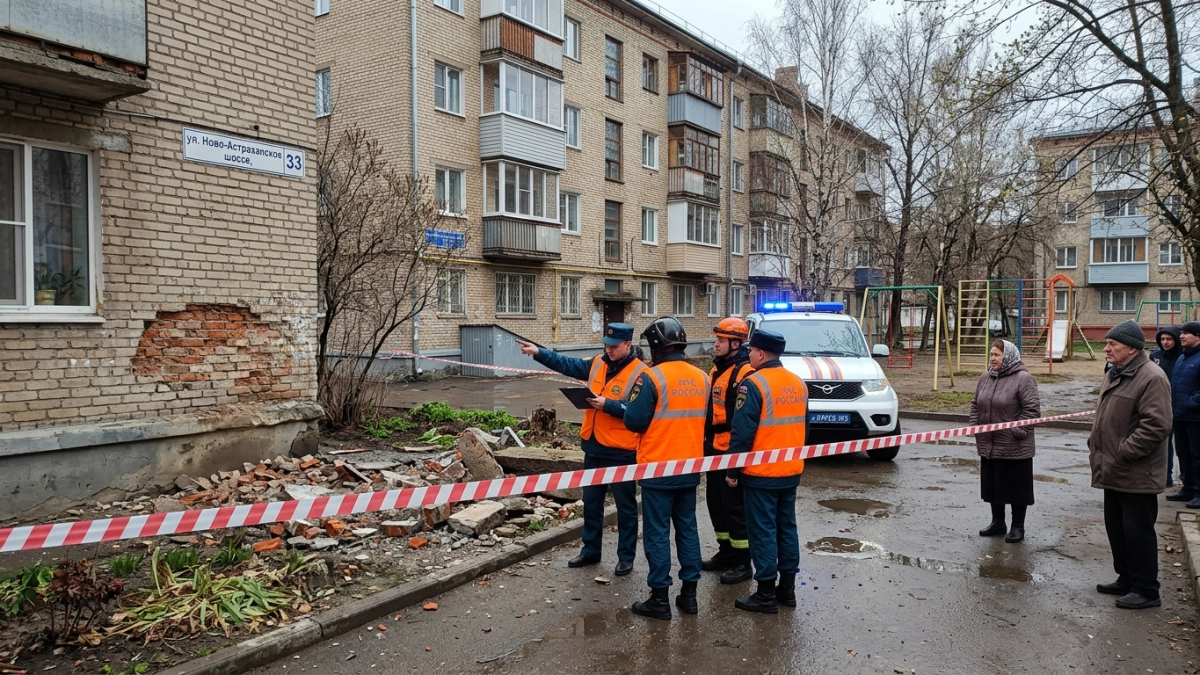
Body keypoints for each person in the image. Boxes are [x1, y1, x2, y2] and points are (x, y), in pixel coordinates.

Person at [516, 324, 644, 577]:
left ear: (628, 345)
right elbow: (568, 364)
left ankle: (626, 557)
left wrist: (608, 405)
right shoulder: (598, 362)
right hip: (594, 446)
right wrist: (539, 353)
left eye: (614, 346)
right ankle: (590, 550)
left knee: (626, 507)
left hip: (621, 451)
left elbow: (639, 413)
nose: (609, 350)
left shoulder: (641, 373)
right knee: (592, 503)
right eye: (606, 345)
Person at [622, 317, 708, 620]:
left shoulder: (651, 378)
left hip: (658, 468)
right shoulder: (702, 377)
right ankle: (690, 595)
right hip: (690, 467)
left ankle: (659, 599)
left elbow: (633, 420)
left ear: (656, 346)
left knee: (657, 533)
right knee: (688, 529)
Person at [1090, 319, 1172, 610]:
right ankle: (1126, 578)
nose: (1106, 348)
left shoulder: (1152, 377)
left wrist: (1125, 451)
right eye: (1107, 343)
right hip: (1113, 469)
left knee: (1138, 532)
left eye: (1112, 344)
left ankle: (1147, 589)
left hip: (1136, 471)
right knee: (1118, 529)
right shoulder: (1115, 373)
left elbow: (1157, 425)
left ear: (1132, 348)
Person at [725, 328, 807, 614]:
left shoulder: (753, 384)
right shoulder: (798, 383)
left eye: (751, 351)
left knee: (762, 532)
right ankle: (788, 590)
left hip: (761, 474)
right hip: (791, 470)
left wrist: (732, 470)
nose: (748, 354)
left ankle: (765, 593)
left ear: (761, 353)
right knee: (787, 529)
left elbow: (742, 433)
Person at [701, 318, 755, 584]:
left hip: (731, 451)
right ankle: (725, 552)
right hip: (713, 448)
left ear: (736, 343)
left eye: (721, 340)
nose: (716, 344)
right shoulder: (716, 369)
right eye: (717, 339)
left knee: (735, 509)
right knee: (716, 504)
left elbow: (743, 421)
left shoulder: (744, 373)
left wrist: (736, 460)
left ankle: (743, 562)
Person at [971, 340, 1042, 543]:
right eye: (991, 354)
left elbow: (1032, 411)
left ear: (1008, 356)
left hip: (1015, 445)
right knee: (994, 484)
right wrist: (975, 426)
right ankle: (998, 522)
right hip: (989, 443)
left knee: (1016, 486)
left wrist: (1016, 431)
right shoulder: (985, 378)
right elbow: (976, 404)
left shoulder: (1023, 379)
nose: (992, 358)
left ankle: (1017, 526)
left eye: (997, 355)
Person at [1168, 322, 1200, 508]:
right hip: (1179, 416)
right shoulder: (1182, 358)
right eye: (1181, 333)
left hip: (1195, 417)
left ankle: (1198, 491)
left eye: (1186, 333)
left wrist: (1190, 403)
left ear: (1197, 336)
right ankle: (1187, 488)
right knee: (1183, 454)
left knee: (1197, 456)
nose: (1181, 336)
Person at [1149, 326, 1183, 489]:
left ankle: (1186, 478)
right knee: (1163, 443)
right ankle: (1165, 476)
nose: (1165, 342)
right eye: (1162, 339)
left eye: (1169, 339)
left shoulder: (1183, 357)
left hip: (1181, 406)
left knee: (1183, 446)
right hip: (1160, 405)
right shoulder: (1155, 356)